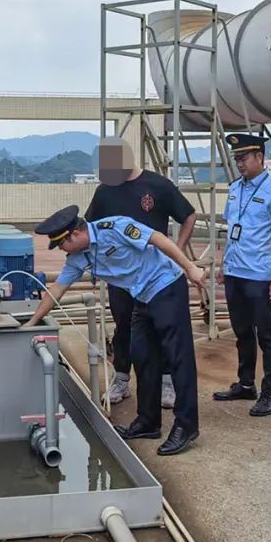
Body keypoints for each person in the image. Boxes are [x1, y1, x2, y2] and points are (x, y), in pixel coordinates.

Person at [24, 205, 207, 455]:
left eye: (61, 244)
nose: (62, 250)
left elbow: (158, 239)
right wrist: (32, 322)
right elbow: (57, 290)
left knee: (178, 358)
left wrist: (190, 267)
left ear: (75, 234)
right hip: (141, 297)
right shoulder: (78, 258)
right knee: (142, 357)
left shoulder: (116, 227)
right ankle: (148, 421)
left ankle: (186, 426)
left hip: (166, 286)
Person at [85, 137, 198, 411]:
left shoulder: (158, 186)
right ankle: (122, 378)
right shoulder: (105, 192)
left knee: (161, 327)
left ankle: (167, 381)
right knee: (123, 325)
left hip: (156, 277)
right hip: (122, 277)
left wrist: (176, 251)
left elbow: (189, 215)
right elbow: (89, 229)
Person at [212, 133, 271, 416]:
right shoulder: (235, 188)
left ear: (260, 157)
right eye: (236, 159)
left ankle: (270, 393)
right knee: (242, 331)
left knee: (266, 335)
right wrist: (224, 264)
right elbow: (231, 231)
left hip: (260, 274)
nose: (240, 164)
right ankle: (246, 384)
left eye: (244, 158)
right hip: (235, 272)